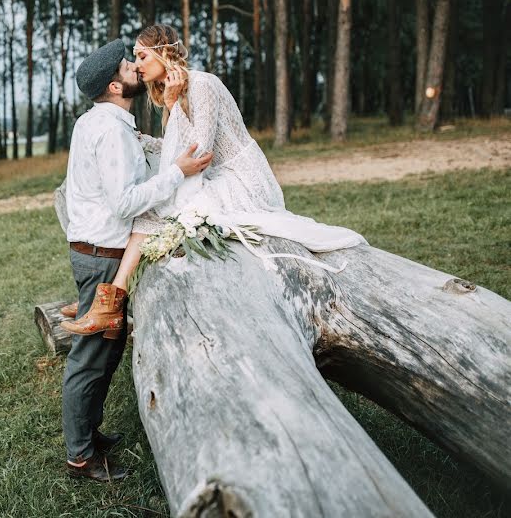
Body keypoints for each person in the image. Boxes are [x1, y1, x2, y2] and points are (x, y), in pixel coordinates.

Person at [61, 24, 366, 337]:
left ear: (164, 55)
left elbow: (200, 153)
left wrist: (173, 105)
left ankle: (109, 301)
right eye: (133, 59)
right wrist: (161, 119)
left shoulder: (203, 84)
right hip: (205, 173)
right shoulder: (173, 91)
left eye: (140, 56)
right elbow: (176, 148)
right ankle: (108, 302)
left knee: (151, 211)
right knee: (150, 210)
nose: (136, 65)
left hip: (235, 178)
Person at [61, 38, 213, 481]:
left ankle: (88, 432)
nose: (134, 66)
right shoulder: (109, 130)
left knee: (105, 354)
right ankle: (81, 456)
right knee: (91, 357)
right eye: (127, 65)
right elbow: (125, 201)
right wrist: (177, 174)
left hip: (94, 249)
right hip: (102, 254)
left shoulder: (101, 122)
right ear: (114, 85)